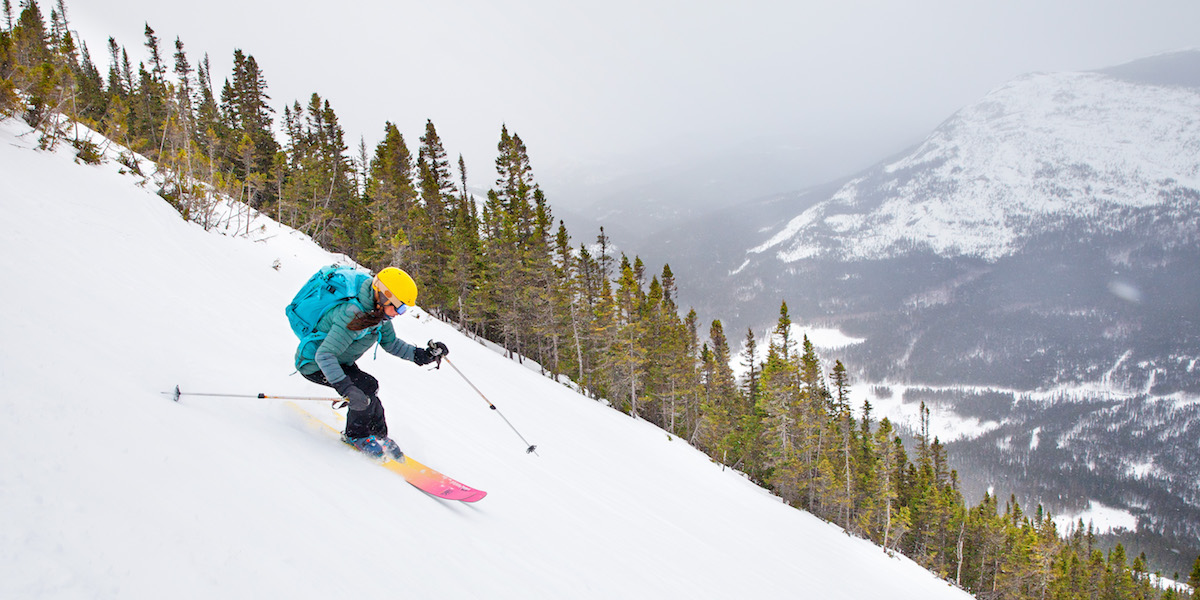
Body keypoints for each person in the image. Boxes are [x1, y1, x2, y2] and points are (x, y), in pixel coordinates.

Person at [296, 266, 449, 459]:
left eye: (404, 308)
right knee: (362, 389)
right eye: (399, 306)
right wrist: (345, 388)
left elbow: (391, 343)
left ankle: (378, 435)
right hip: (315, 364)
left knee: (369, 386)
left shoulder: (378, 314)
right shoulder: (352, 314)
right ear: (384, 296)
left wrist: (422, 355)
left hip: (339, 361)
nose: (399, 313)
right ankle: (355, 436)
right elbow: (324, 355)